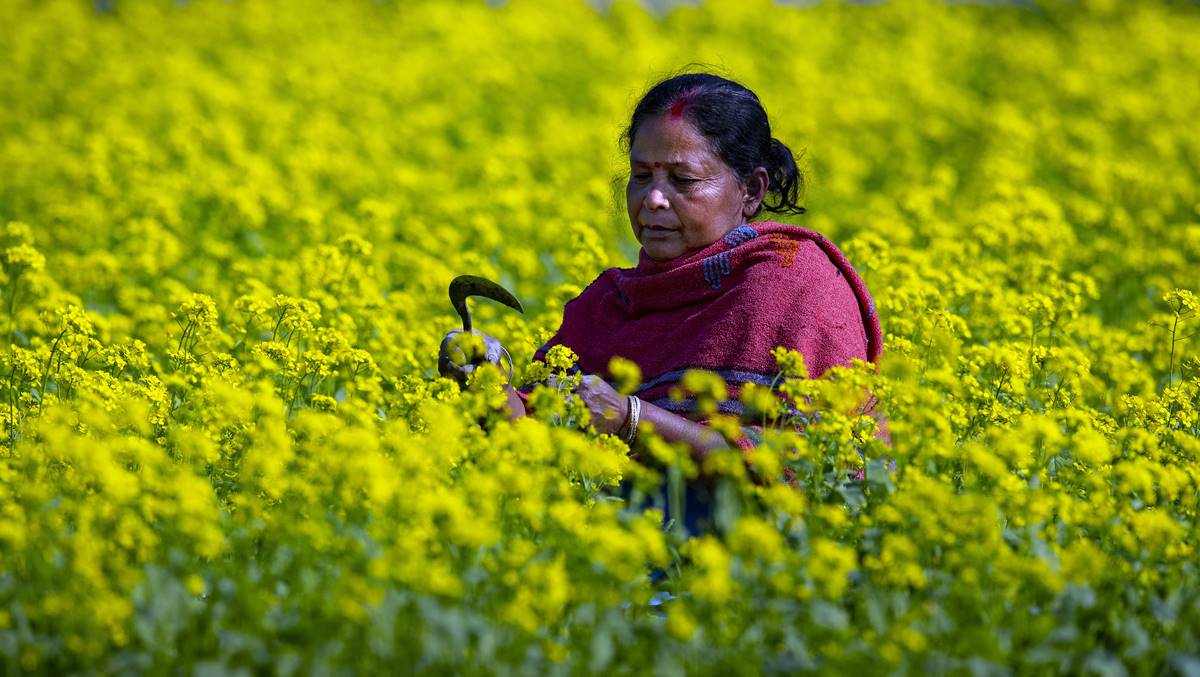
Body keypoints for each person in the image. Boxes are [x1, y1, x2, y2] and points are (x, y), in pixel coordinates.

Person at [444, 72, 883, 524]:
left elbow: (822, 469)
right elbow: (532, 451)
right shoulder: (607, 306)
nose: (654, 199)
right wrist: (488, 384)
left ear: (751, 191)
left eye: (683, 179)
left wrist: (632, 419)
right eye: (641, 175)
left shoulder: (796, 287)